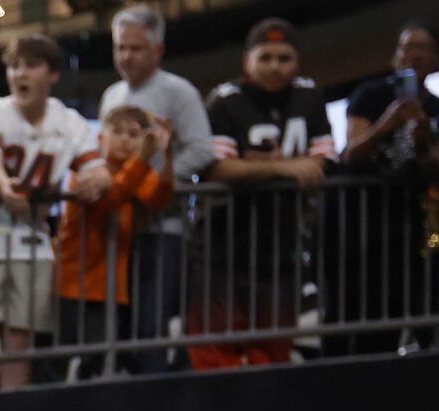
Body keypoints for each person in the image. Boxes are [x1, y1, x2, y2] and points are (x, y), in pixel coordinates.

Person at [0, 34, 109, 392]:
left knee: (20, 342)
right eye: (13, 66)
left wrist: (97, 182)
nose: (18, 74)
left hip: (35, 242)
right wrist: (4, 185)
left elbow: (99, 170)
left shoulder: (69, 121)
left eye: (29, 66)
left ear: (52, 74)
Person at [188, 17, 333, 372]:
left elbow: (324, 163)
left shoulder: (310, 97)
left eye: (284, 58)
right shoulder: (225, 100)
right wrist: (285, 167)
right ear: (247, 61)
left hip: (279, 246)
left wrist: (255, 166)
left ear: (297, 61)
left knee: (273, 351)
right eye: (265, 57)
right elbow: (217, 169)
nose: (274, 66)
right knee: (215, 350)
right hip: (222, 244)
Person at [98, 6, 216, 369]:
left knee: (152, 324)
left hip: (164, 230)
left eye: (135, 48)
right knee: (121, 324)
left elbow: (201, 150)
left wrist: (150, 185)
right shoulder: (111, 96)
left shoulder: (179, 92)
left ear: (158, 51)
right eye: (120, 48)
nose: (125, 57)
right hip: (119, 232)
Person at [328, 22, 439, 359]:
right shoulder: (372, 94)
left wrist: (421, 139)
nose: (415, 55)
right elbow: (350, 154)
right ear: (396, 56)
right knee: (363, 315)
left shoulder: (434, 107)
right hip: (364, 229)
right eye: (408, 47)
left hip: (415, 230)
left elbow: (431, 167)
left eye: (423, 48)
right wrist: (387, 124)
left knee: (413, 309)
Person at [50, 106, 173, 381]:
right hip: (72, 283)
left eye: (133, 134)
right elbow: (112, 196)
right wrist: (142, 158)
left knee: (97, 360)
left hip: (108, 288)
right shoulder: (87, 170)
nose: (125, 139)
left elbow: (159, 198)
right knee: (55, 360)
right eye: (117, 131)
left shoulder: (136, 172)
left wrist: (166, 156)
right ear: (101, 136)